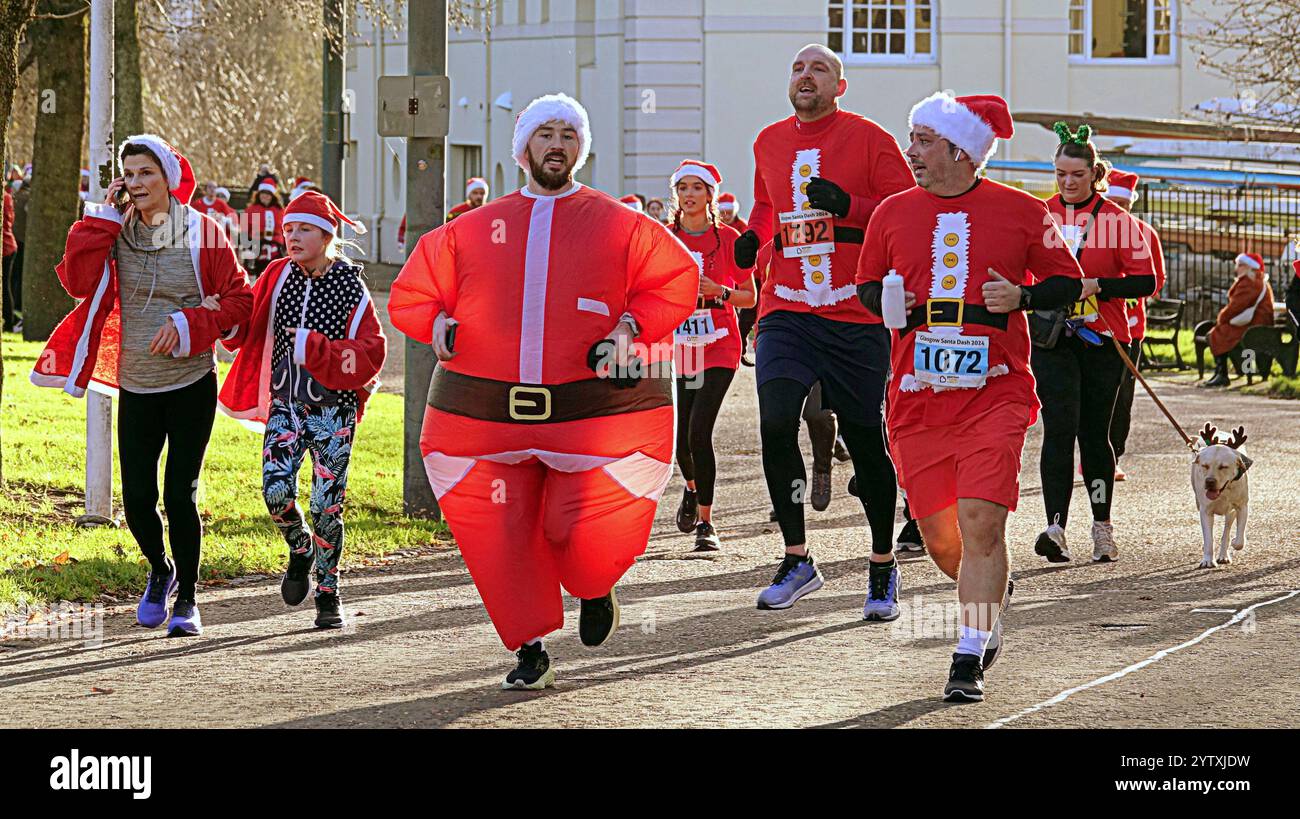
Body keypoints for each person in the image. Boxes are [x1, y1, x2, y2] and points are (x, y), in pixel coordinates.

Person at [387, 93, 697, 690]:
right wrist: (436, 327)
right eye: (545, 134)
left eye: (568, 135)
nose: (557, 145)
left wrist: (630, 328)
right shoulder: (472, 229)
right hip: (485, 419)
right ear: (524, 147)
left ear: (582, 148)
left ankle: (593, 584)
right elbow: (412, 295)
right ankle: (528, 646)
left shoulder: (619, 223)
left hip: (591, 418)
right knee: (502, 530)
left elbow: (674, 281)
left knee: (570, 526)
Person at [857, 92, 1086, 701]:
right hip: (916, 395)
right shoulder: (890, 214)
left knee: (982, 521)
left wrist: (1025, 298)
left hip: (996, 389)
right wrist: (887, 303)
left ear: (961, 150)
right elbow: (864, 286)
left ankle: (968, 653)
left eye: (924, 141)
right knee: (942, 539)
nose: (912, 153)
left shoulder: (1020, 210)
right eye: (912, 139)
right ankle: (989, 592)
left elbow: (1066, 280)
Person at [30, 134, 252, 637]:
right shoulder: (116, 232)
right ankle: (160, 569)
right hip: (137, 386)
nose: (137, 183)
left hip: (191, 382)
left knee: (179, 495)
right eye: (129, 174)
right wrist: (99, 221)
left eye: (146, 173)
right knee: (135, 501)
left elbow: (239, 301)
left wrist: (189, 322)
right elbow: (77, 282)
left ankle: (188, 600)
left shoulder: (204, 233)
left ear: (169, 178)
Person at [741, 43, 914, 617]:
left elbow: (905, 207)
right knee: (774, 420)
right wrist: (751, 239)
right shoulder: (767, 141)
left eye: (819, 69)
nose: (805, 76)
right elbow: (767, 209)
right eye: (797, 67)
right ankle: (797, 558)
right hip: (786, 307)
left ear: (840, 86)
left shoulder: (870, 138)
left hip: (851, 308)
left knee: (866, 437)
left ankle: (883, 565)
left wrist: (850, 204)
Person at [217, 191, 387, 629]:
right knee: (275, 493)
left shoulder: (350, 283)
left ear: (327, 235)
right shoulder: (276, 274)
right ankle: (300, 549)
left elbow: (372, 350)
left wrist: (315, 350)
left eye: (304, 229)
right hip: (285, 406)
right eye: (288, 228)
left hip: (333, 411)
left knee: (326, 505)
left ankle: (328, 592)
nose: (292, 236)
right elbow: (248, 322)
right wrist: (225, 320)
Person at [1033, 123, 1156, 564]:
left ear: (1094, 174)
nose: (1067, 183)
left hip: (1104, 340)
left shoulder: (1117, 221)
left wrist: (1098, 284)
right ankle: (1055, 527)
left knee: (1094, 433)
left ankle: (1102, 527)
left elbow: (1147, 280)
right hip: (1052, 340)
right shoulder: (1039, 214)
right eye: (1060, 173)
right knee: (1058, 428)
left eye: (1077, 175)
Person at [666, 160, 757, 551]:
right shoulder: (664, 237)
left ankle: (706, 522)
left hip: (720, 343)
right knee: (679, 440)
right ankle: (691, 487)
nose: (689, 195)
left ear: (709, 195)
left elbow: (750, 297)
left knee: (699, 431)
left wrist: (719, 290)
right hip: (682, 347)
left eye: (696, 188)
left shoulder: (731, 238)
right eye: (682, 188)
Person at [1105, 169, 1164, 479]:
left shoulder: (1144, 233)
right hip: (1091, 326)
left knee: (1122, 395)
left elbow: (1156, 282)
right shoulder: (1089, 229)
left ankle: (1113, 455)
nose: (1117, 210)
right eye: (1111, 202)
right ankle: (1091, 453)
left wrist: (1125, 288)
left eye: (1122, 205)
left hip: (1130, 328)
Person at [1204, 252, 1276, 387]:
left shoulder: (1249, 282)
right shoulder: (1256, 280)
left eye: (1240, 265)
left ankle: (1222, 374)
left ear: (1250, 267)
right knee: (1218, 332)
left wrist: (1222, 318)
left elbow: (1235, 307)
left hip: (1254, 326)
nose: (1237, 269)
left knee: (1216, 333)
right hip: (1255, 324)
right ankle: (1223, 371)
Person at [397, 177, 490, 254]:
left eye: (482, 193)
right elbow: (446, 232)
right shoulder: (457, 212)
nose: (479, 197)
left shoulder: (489, 212)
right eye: (475, 193)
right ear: (469, 194)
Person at [242, 181, 285, 278]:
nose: (264, 196)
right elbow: (244, 231)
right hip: (257, 248)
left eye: (267, 194)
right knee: (260, 276)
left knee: (275, 275)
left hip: (276, 248)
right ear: (258, 195)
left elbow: (285, 230)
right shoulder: (250, 210)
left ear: (272, 196)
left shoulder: (280, 210)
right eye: (262, 193)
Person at [4, 178, 28, 332]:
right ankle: (10, 320)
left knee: (5, 286)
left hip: (5, 247)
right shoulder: (7, 196)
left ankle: (10, 321)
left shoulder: (6, 197)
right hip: (9, 245)